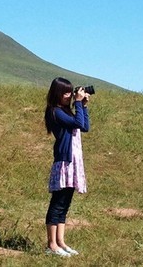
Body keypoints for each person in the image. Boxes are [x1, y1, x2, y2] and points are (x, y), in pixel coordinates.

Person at [43, 77, 90, 257]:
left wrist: (83, 106)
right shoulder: (54, 111)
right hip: (64, 161)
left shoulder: (66, 111)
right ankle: (51, 245)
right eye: (65, 92)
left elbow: (84, 126)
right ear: (57, 93)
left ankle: (61, 242)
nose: (69, 95)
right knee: (56, 204)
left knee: (64, 204)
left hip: (73, 162)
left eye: (71, 92)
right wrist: (77, 104)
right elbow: (78, 124)